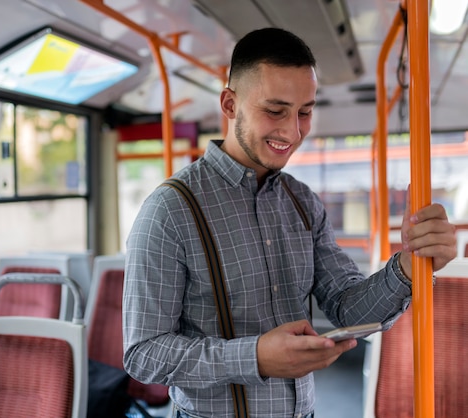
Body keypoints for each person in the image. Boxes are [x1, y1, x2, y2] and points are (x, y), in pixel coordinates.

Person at [122, 27, 457, 418]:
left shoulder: (302, 203)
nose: (293, 131)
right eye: (275, 110)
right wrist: (255, 357)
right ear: (230, 105)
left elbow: (347, 309)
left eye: (305, 112)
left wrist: (408, 264)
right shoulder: (170, 210)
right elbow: (143, 354)